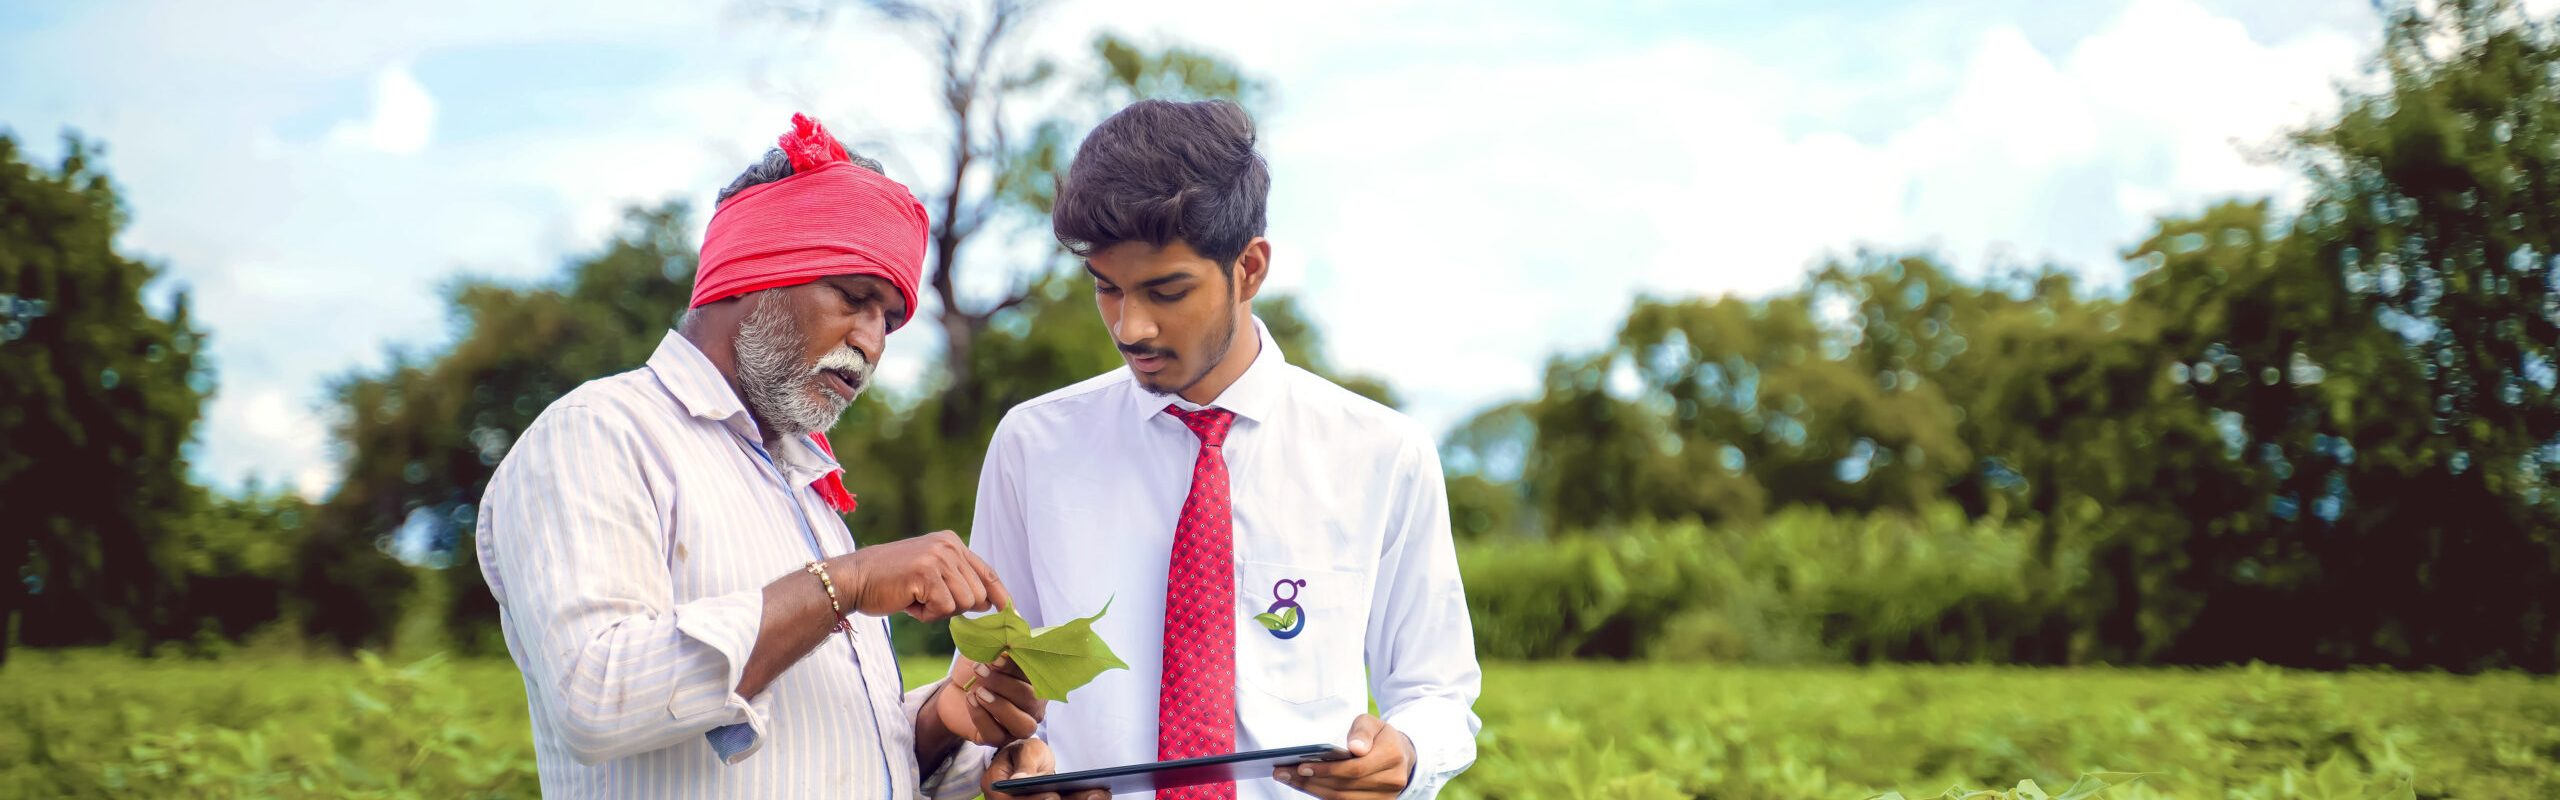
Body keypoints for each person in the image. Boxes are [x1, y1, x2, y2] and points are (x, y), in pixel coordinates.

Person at [477, 113, 1097, 800]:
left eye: (889, 320)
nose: (871, 344)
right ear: (748, 276)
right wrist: (848, 582)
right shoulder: (600, 434)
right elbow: (596, 695)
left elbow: (817, 752)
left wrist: (941, 723)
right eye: (854, 299)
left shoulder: (806, 486)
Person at [953, 99, 1482, 799]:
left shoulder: (1383, 454)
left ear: (1250, 269)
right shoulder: (1033, 446)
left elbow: (1436, 693)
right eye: (1106, 289)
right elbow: (996, 686)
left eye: (1165, 291)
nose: (1130, 326)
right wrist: (1014, 756)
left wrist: (1407, 753)